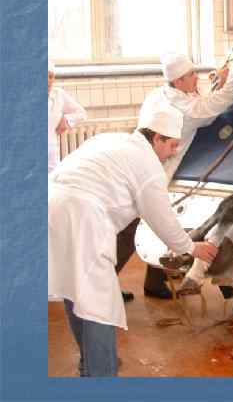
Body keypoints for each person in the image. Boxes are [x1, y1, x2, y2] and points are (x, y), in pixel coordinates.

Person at [48, 105, 218, 376]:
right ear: (157, 138)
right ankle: (101, 372)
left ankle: (90, 362)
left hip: (49, 206)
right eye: (171, 145)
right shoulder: (148, 165)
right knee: (98, 304)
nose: (173, 152)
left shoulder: (110, 138)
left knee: (73, 289)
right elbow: (161, 218)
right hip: (82, 218)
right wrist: (191, 247)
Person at [117, 32, 233, 305]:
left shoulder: (159, 95)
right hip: (154, 172)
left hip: (133, 164)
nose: (197, 78)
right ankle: (104, 285)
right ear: (178, 81)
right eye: (191, 75)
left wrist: (217, 77)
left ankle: (153, 281)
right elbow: (227, 97)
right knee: (134, 223)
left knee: (138, 221)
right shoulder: (186, 108)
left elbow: (197, 98)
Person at [48, 60, 87, 173]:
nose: (48, 81)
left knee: (53, 181)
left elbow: (81, 113)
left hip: (51, 153)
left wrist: (66, 120)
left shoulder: (58, 94)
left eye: (51, 77)